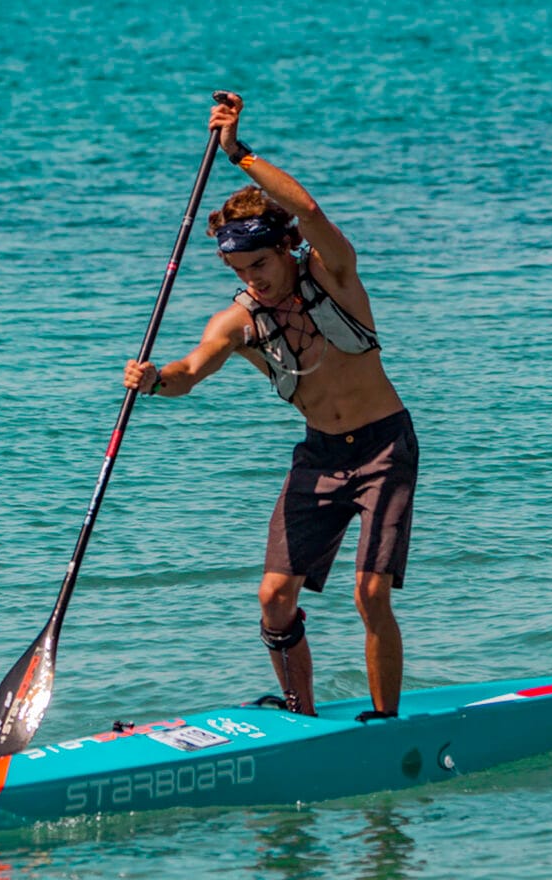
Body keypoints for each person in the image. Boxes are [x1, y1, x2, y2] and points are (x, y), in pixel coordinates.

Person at [122, 93, 418, 721]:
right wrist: (152, 380)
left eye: (259, 262)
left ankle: (385, 725)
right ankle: (299, 714)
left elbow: (308, 209)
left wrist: (238, 153)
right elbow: (190, 372)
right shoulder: (238, 322)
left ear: (283, 247)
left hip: (385, 446)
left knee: (370, 594)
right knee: (274, 598)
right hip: (319, 454)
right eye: (237, 267)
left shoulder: (334, 274)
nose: (251, 278)